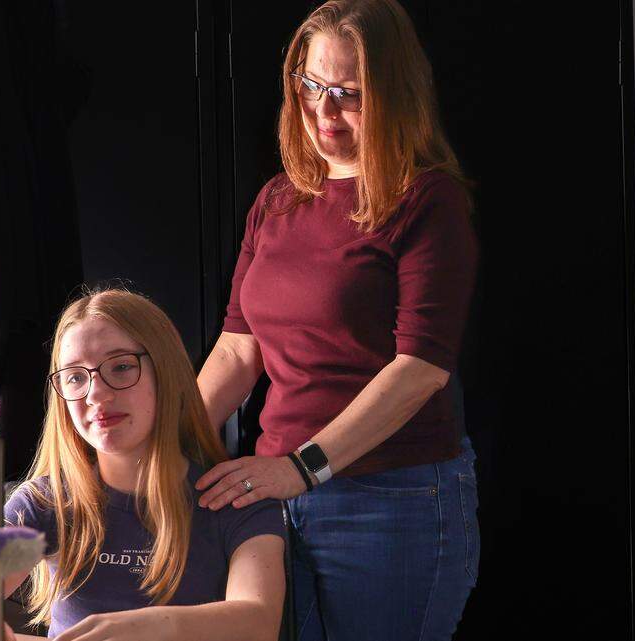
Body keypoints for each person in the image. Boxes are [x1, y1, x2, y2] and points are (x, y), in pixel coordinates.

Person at [194, 1, 480, 639]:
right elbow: (238, 352)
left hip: (391, 503)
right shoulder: (278, 199)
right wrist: (158, 450)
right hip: (271, 502)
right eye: (312, 87)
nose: (323, 112)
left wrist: (301, 467)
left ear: (395, 96)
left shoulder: (428, 201)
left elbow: (420, 369)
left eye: (349, 95)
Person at [1, 288, 286, 641]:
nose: (96, 394)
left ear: (167, 373)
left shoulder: (237, 499)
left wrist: (148, 626)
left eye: (121, 367)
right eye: (75, 376)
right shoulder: (43, 503)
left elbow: (259, 622)